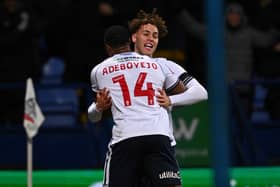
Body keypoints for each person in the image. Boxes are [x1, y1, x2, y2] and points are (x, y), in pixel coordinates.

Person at [88, 10, 208, 187]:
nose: (151, 39)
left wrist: (170, 101)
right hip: (154, 141)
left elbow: (201, 92)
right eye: (146, 34)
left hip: (140, 141)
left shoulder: (163, 65)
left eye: (155, 36)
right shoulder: (156, 66)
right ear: (133, 38)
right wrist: (99, 108)